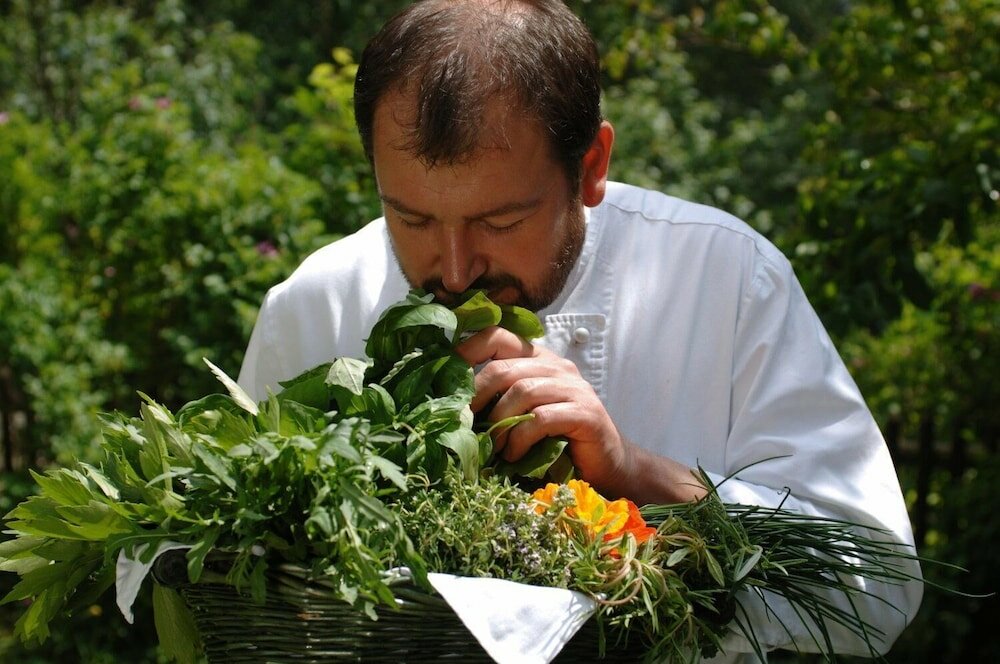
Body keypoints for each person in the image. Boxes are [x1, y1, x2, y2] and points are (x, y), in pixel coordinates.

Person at [237, 0, 922, 660]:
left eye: (500, 222)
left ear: (591, 166)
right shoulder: (317, 304)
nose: (453, 268)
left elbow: (879, 585)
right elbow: (233, 588)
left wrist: (637, 474)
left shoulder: (725, 278)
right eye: (410, 219)